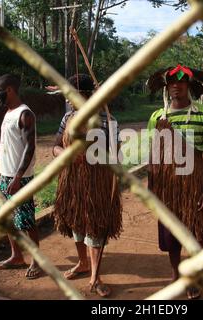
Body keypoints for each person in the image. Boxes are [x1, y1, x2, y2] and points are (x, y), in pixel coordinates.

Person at [146, 64, 203, 299]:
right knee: (171, 232)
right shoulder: (158, 117)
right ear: (166, 87)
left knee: (197, 232)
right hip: (167, 184)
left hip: (195, 180)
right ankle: (176, 273)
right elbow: (153, 153)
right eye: (171, 82)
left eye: (181, 82)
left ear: (189, 85)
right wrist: (152, 186)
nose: (176, 86)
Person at [51, 74, 122, 298]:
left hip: (97, 182)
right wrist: (67, 155)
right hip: (72, 180)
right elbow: (55, 146)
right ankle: (82, 263)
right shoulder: (68, 118)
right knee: (76, 223)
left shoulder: (106, 119)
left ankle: (95, 277)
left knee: (95, 226)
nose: (68, 99)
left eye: (72, 94)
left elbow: (115, 153)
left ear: (85, 95)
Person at [0, 74, 41, 280]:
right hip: (5, 176)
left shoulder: (25, 114)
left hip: (20, 179)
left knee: (27, 221)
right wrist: (3, 175)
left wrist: (18, 177)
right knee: (9, 219)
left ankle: (37, 260)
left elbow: (30, 147)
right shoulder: (9, 113)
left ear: (10, 90)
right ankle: (16, 256)